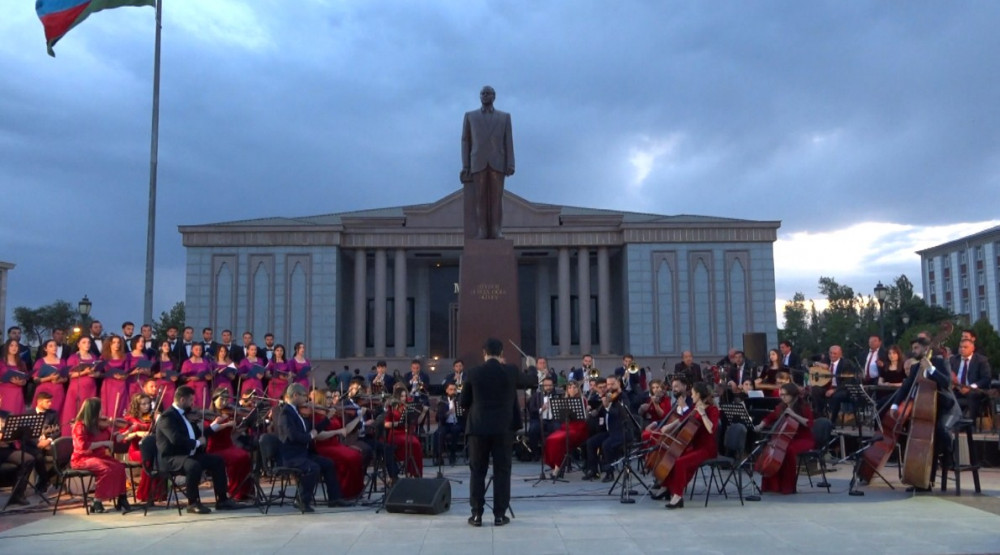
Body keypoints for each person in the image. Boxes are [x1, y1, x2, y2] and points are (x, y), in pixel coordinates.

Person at [460, 338, 532, 526]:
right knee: (502, 471)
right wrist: (531, 366)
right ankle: (499, 515)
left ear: (484, 353)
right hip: (503, 428)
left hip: (478, 428)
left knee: (477, 471)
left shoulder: (473, 372)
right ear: (501, 354)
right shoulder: (511, 371)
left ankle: (477, 514)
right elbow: (531, 381)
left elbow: (463, 402)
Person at [888, 337, 962, 490]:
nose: (913, 351)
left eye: (916, 348)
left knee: (942, 429)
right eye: (913, 348)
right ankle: (923, 480)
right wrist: (894, 405)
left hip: (947, 409)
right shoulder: (916, 368)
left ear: (926, 348)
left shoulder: (941, 362)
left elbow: (947, 383)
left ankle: (951, 458)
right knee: (926, 441)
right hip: (928, 411)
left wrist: (931, 369)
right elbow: (905, 387)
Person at [155, 385, 239, 514]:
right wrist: (197, 443)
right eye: (191, 400)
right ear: (182, 400)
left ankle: (222, 500)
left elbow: (198, 435)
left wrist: (214, 426)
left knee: (217, 461)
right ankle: (192, 503)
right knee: (193, 465)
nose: (192, 404)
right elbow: (176, 439)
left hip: (188, 455)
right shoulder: (167, 417)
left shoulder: (186, 415)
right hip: (172, 458)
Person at [274, 383, 349, 512]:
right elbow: (293, 436)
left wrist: (327, 418)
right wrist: (310, 436)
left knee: (328, 463)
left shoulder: (297, 412)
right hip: (291, 455)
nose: (307, 400)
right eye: (304, 396)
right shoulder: (286, 413)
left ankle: (334, 498)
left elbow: (312, 430)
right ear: (295, 395)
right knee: (313, 468)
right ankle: (302, 500)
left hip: (302, 453)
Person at [460, 85, 515, 240]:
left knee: (497, 200)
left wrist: (510, 163)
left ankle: (496, 230)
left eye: (488, 93)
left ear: (494, 96)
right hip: (477, 162)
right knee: (480, 199)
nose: (485, 95)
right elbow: (465, 141)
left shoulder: (504, 117)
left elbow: (508, 141)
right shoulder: (470, 116)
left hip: (498, 163)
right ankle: (482, 231)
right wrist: (466, 165)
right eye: (482, 93)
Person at [658, 381, 719, 509]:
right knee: (674, 457)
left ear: (698, 395)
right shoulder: (695, 407)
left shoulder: (712, 409)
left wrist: (703, 414)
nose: (691, 396)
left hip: (706, 449)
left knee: (680, 462)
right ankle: (669, 489)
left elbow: (711, 429)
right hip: (695, 446)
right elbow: (683, 419)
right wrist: (669, 426)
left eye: (693, 394)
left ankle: (678, 496)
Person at [70, 397, 132, 513]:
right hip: (82, 458)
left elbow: (113, 438)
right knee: (105, 469)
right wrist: (103, 443)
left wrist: (127, 432)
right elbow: (83, 446)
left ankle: (122, 497)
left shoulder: (99, 425)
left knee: (119, 467)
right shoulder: (80, 426)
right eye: (100, 409)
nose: (102, 412)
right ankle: (97, 501)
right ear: (93, 410)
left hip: (99, 456)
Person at [754, 383, 815, 494]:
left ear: (793, 394)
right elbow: (770, 417)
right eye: (781, 395)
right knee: (778, 451)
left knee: (788, 450)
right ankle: (773, 486)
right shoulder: (781, 407)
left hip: (804, 439)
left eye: (785, 395)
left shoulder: (804, 407)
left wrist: (794, 415)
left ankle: (788, 486)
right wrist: (760, 425)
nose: (783, 397)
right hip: (787, 439)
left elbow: (809, 423)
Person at [306, 389, 364, 500]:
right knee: (348, 458)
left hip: (335, 444)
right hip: (323, 446)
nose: (331, 400)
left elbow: (346, 430)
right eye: (328, 397)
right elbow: (318, 435)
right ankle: (343, 493)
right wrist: (336, 432)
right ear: (321, 399)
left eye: (331, 397)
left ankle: (355, 492)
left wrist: (359, 417)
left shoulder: (332, 413)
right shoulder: (315, 415)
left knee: (356, 455)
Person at [203, 388, 252, 502]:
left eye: (226, 399)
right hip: (216, 448)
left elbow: (232, 433)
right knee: (236, 459)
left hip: (229, 445)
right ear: (214, 400)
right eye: (221, 399)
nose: (224, 402)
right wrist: (226, 424)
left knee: (245, 456)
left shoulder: (228, 413)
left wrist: (238, 427)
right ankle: (234, 491)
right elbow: (209, 431)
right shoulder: (209, 415)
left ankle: (245, 491)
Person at [583, 376, 627, 483]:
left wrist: (607, 406)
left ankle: (609, 473)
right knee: (590, 442)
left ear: (618, 383)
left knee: (606, 445)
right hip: (609, 431)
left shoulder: (621, 398)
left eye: (612, 384)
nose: (609, 387)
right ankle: (593, 471)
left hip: (621, 431)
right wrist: (593, 412)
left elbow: (617, 414)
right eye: (608, 384)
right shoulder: (607, 397)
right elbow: (602, 414)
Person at [121, 393, 163, 503]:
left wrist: (159, 420)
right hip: (136, 450)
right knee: (149, 459)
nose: (147, 406)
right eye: (143, 404)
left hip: (152, 449)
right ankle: (146, 494)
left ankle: (159, 493)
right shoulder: (129, 419)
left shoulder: (151, 417)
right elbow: (123, 437)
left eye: (148, 403)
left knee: (159, 457)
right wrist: (136, 433)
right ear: (136, 405)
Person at [544, 380, 588, 479]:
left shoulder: (582, 400)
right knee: (550, 439)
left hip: (579, 428)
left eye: (574, 387)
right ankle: (557, 465)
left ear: (578, 389)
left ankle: (557, 469)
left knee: (560, 440)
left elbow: (581, 416)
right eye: (570, 388)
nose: (572, 389)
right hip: (566, 427)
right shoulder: (564, 400)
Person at [0, 394, 37, 505]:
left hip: (6, 449)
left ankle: (17, 494)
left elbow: (13, 432)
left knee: (28, 459)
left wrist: (11, 435)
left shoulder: (7, 415)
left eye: (0, 399)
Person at [61, 337, 100, 435]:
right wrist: (84, 372)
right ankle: (71, 435)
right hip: (77, 388)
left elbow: (98, 372)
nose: (87, 344)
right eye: (84, 342)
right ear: (78, 344)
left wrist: (95, 374)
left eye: (89, 342)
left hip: (91, 387)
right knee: (74, 410)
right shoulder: (73, 357)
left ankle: (87, 434)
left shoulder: (94, 357)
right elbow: (70, 374)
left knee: (89, 411)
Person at [809, 345, 856, 424]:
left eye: (835, 353)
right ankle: (820, 416)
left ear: (840, 354)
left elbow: (847, 382)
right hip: (826, 386)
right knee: (815, 389)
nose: (832, 355)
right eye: (830, 353)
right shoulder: (826, 360)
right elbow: (811, 363)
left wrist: (834, 390)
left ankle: (832, 421)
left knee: (836, 396)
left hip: (840, 388)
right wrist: (818, 364)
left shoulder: (846, 364)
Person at [950, 338, 992, 423]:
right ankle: (950, 422)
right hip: (957, 388)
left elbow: (986, 378)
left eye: (965, 347)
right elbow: (949, 374)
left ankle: (971, 423)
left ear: (973, 348)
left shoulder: (981, 360)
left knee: (972, 395)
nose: (962, 349)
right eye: (960, 347)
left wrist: (970, 387)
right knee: (944, 394)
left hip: (975, 390)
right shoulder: (954, 359)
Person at [31, 339, 67, 419]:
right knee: (40, 415)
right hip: (43, 391)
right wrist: (49, 378)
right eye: (51, 346)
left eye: (55, 346)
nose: (54, 347)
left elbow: (66, 378)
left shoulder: (62, 361)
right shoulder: (40, 362)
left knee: (56, 414)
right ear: (45, 349)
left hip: (58, 391)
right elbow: (35, 379)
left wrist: (59, 380)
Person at [99, 335, 129, 419]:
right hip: (108, 385)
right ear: (109, 344)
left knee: (120, 406)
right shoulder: (103, 357)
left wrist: (123, 376)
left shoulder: (124, 356)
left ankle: (119, 424)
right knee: (109, 407)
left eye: (118, 342)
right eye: (114, 342)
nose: (117, 344)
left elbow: (127, 371)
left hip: (121, 384)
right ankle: (108, 425)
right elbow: (99, 372)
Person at [434, 383, 464, 466]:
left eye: (454, 390)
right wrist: (448, 412)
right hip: (446, 424)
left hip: (456, 423)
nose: (453, 391)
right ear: (447, 391)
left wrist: (460, 411)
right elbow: (438, 418)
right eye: (451, 389)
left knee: (455, 430)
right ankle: (439, 457)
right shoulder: (443, 402)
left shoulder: (460, 400)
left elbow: (465, 415)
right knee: (438, 433)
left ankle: (452, 454)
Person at [180, 343, 212, 410]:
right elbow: (182, 377)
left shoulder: (205, 362)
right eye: (196, 349)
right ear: (192, 350)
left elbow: (210, 375)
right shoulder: (186, 362)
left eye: (200, 350)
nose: (198, 351)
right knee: (191, 407)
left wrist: (206, 377)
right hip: (191, 387)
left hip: (202, 388)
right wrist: (190, 378)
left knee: (203, 408)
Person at [0, 339, 28, 414]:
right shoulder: (1, 362)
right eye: (11, 345)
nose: (14, 348)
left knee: (16, 416)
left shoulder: (22, 363)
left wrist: (21, 382)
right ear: (7, 347)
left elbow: (25, 380)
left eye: (16, 346)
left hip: (17, 393)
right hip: (3, 393)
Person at [152, 339, 179, 406]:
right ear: (160, 347)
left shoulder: (173, 359)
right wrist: (156, 375)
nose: (167, 347)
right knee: (160, 404)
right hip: (159, 384)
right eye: (165, 345)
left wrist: (175, 377)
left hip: (170, 385)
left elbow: (176, 372)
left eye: (168, 346)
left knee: (170, 403)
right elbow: (149, 372)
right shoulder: (155, 358)